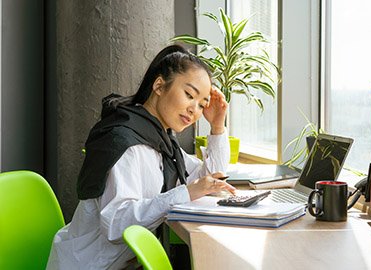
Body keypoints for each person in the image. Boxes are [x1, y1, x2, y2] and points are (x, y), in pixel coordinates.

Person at [47, 44, 236, 269]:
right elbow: (116, 224)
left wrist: (217, 126)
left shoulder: (161, 140)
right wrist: (186, 192)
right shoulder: (127, 143)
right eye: (189, 95)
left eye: (201, 104)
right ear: (159, 85)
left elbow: (213, 178)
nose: (194, 110)